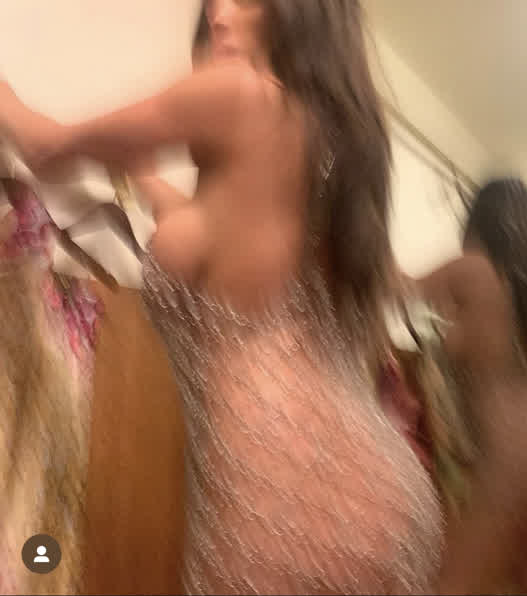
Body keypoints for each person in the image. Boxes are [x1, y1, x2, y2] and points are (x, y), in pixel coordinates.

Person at [0, 1, 442, 593]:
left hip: (277, 499)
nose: (218, 13)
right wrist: (141, 175)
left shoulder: (235, 92)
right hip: (391, 491)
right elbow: (204, 231)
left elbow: (44, 144)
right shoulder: (319, 144)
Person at [407, 179, 527, 593]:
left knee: (453, 583)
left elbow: (398, 288)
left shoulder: (473, 268)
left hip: (519, 447)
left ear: (479, 222)